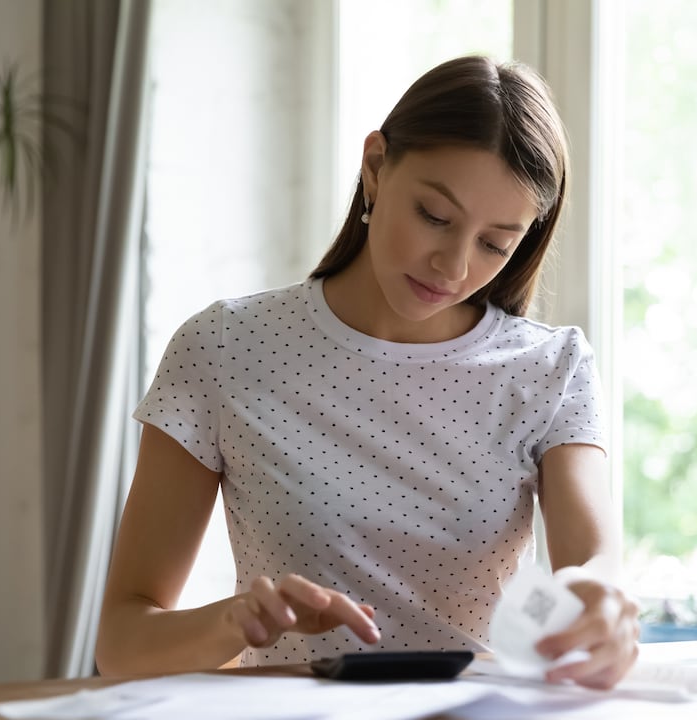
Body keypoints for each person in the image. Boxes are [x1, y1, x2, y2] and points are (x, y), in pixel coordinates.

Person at [95, 55, 639, 690]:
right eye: (434, 216)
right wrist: (235, 623)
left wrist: (595, 600)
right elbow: (124, 643)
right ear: (376, 168)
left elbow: (594, 562)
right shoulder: (223, 347)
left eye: (495, 242)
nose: (454, 266)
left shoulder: (551, 368)